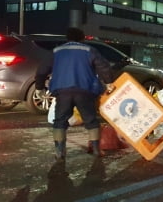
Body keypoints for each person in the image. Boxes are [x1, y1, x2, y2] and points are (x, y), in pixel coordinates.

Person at [35, 27, 116, 159]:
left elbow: (42, 70)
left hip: (62, 90)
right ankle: (96, 150)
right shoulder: (89, 50)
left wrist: (39, 87)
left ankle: (60, 152)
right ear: (82, 38)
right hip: (85, 90)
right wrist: (108, 82)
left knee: (60, 121)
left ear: (67, 38)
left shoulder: (56, 51)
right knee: (91, 120)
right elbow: (103, 66)